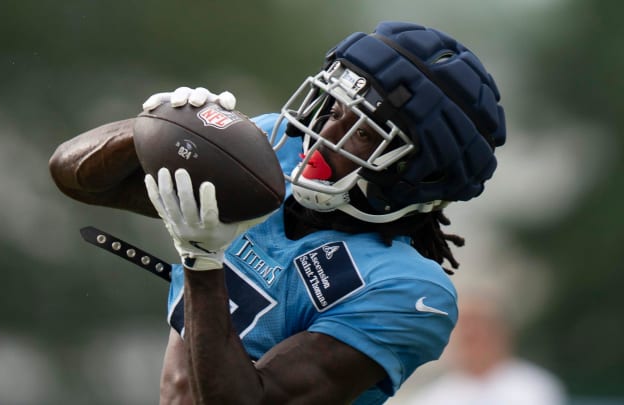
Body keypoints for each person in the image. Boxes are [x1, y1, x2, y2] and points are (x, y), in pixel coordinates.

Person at [49, 21, 506, 404]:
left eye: (365, 134)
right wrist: (162, 125)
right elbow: (77, 178)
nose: (325, 134)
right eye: (334, 109)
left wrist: (203, 263)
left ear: (415, 176)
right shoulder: (275, 155)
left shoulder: (406, 291)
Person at [401, 292, 567, 405]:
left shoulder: (533, 387)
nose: (471, 333)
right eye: (465, 327)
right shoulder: (433, 397)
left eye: (480, 326)